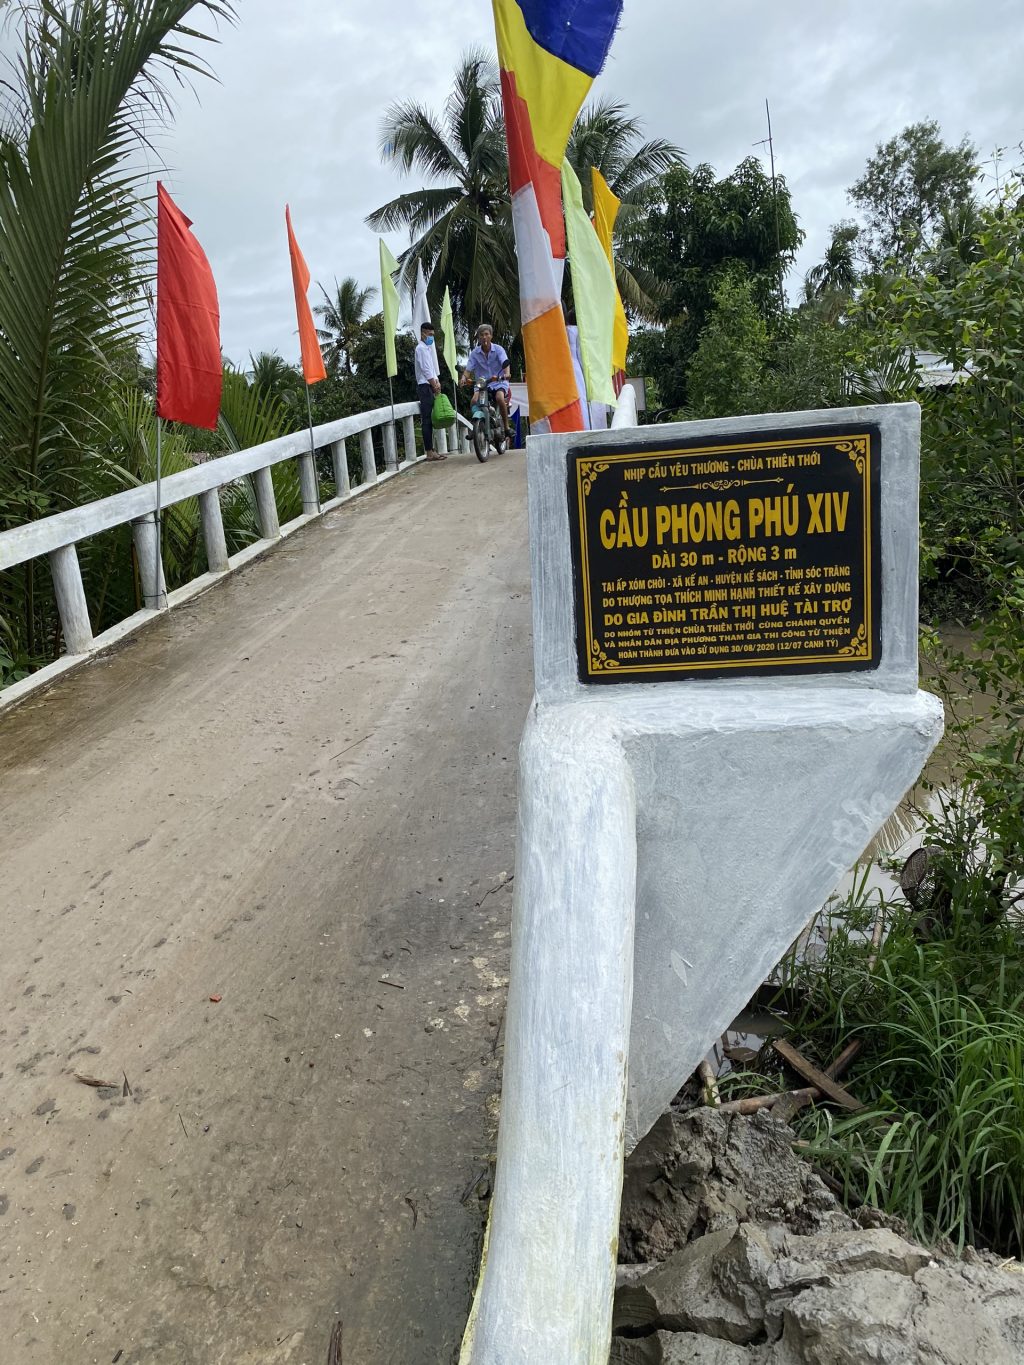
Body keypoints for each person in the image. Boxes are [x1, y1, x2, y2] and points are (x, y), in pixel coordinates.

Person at [462, 323, 512, 438]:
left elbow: (505, 363)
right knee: (474, 400)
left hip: (499, 381)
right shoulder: (475, 353)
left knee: (499, 398)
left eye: (486, 334)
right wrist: (464, 378)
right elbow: (468, 369)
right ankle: (475, 425)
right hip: (482, 383)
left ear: (491, 336)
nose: (484, 337)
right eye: (481, 335)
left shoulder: (499, 349)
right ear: (478, 338)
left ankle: (506, 428)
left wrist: (506, 374)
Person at [414, 322, 445, 461]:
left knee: (431, 420)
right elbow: (426, 369)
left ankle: (432, 450)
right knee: (426, 420)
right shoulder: (420, 349)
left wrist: (436, 381)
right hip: (424, 387)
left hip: (430, 385)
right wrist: (434, 384)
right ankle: (429, 452)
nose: (431, 337)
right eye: (430, 334)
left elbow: (432, 368)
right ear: (423, 333)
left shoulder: (427, 349)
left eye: (433, 335)